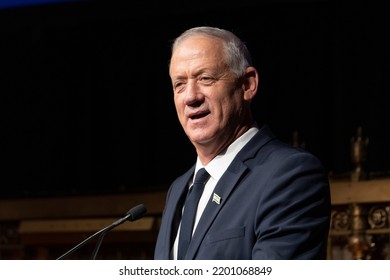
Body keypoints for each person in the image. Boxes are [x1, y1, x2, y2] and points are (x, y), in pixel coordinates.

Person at [154, 26, 331, 260]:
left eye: (205, 78)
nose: (190, 97)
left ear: (247, 84)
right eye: (179, 84)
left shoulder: (291, 174)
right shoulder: (179, 189)